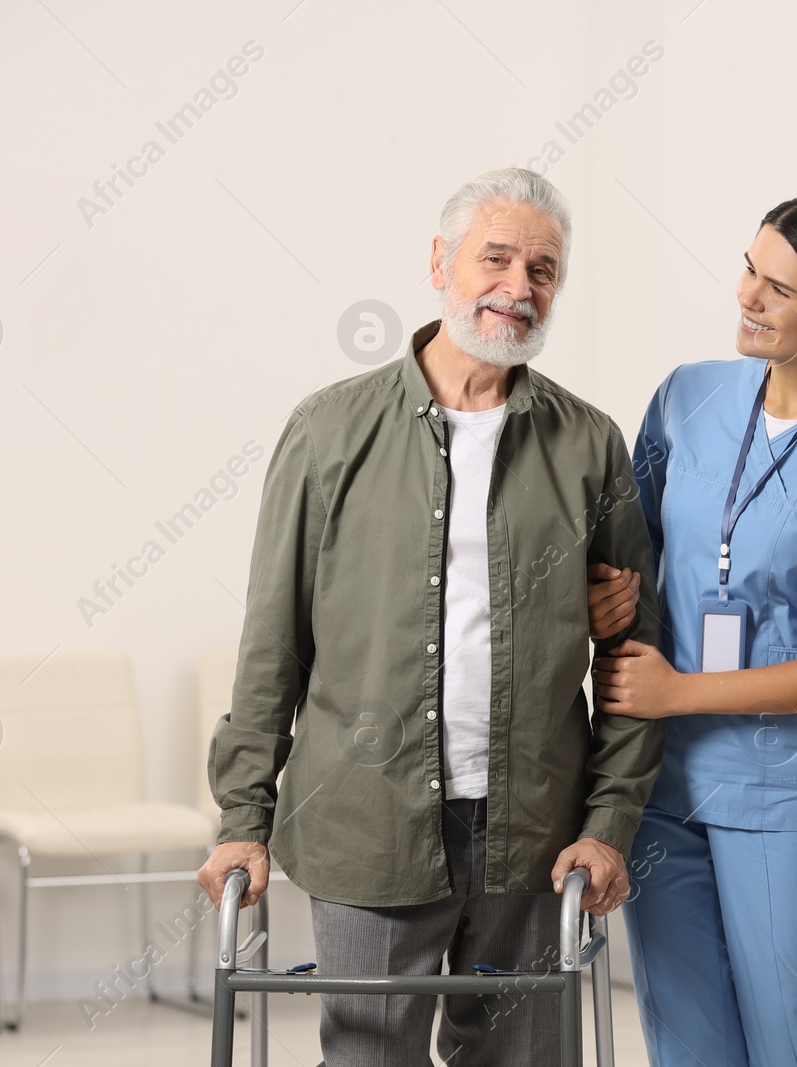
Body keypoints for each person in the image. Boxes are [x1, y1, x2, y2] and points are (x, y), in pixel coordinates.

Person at [198, 168, 663, 1066]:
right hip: (365, 823)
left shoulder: (589, 443)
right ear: (440, 261)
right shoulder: (328, 430)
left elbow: (632, 652)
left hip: (535, 829)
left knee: (524, 1059)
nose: (518, 287)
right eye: (496, 257)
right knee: (370, 1056)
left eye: (543, 268)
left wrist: (608, 826)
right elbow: (273, 645)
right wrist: (242, 817)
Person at [589, 193, 797, 1066]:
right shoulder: (688, 397)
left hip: (786, 799)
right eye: (748, 267)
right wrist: (607, 598)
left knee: (789, 1044)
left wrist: (681, 691)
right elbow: (634, 550)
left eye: (778, 288)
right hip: (664, 791)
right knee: (689, 1046)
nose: (747, 295)